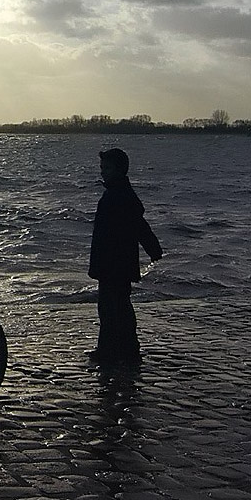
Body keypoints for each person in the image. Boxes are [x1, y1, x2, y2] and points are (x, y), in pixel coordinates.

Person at [88, 147, 163, 366]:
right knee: (114, 307)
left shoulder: (120, 195)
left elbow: (138, 225)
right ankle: (121, 349)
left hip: (115, 263)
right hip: (112, 262)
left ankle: (114, 351)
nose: (103, 172)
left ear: (120, 170)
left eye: (108, 168)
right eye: (102, 168)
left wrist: (152, 247)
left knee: (113, 308)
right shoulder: (115, 193)